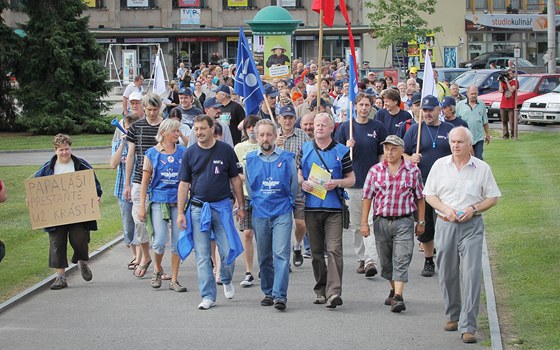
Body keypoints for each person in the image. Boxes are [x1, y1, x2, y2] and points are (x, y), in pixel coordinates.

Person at [424, 126, 501, 344]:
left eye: (460, 142)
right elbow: (429, 194)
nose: (456, 146)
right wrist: (446, 209)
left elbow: (493, 197)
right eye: (453, 142)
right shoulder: (440, 166)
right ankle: (453, 315)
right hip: (445, 223)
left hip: (472, 226)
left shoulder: (482, 168)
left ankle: (468, 325)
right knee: (447, 273)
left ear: (469, 145)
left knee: (472, 273)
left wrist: (474, 209)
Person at [176, 115, 245, 310]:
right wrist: (181, 212)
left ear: (212, 129)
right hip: (198, 209)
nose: (198, 132)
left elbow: (235, 180)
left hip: (222, 207)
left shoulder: (226, 150)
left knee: (228, 250)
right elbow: (183, 184)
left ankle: (226, 278)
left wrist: (240, 206)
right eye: (196, 129)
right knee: (202, 255)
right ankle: (207, 295)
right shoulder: (189, 153)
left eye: (202, 129)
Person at [360, 135, 425, 313]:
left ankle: (398, 296)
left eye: (393, 149)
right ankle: (393, 288)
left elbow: (420, 198)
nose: (389, 152)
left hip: (404, 220)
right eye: (387, 148)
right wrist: (364, 223)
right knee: (386, 262)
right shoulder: (375, 171)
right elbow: (367, 197)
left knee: (401, 258)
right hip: (381, 221)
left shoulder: (413, 171)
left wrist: (421, 221)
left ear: (402, 151)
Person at [299, 113, 356, 308]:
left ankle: (334, 292)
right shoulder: (305, 148)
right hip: (311, 207)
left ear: (332, 128)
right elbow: (299, 173)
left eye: (324, 125)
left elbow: (351, 178)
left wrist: (337, 183)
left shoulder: (341, 150)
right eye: (317, 125)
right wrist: (303, 183)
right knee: (316, 252)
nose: (319, 128)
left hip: (333, 208)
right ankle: (320, 290)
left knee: (334, 250)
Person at [32, 134, 102, 290]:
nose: (64, 152)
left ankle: (81, 261)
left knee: (80, 239)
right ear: (55, 150)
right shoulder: (47, 168)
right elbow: (36, 189)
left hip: (79, 213)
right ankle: (60, 277)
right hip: (56, 214)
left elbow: (95, 186)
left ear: (71, 148)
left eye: (67, 149)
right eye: (61, 150)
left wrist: (96, 196)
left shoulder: (81, 164)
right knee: (57, 243)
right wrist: (32, 200)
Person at [245, 119, 298, 310]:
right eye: (262, 135)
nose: (265, 138)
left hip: (282, 212)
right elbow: (250, 187)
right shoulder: (250, 159)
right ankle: (267, 292)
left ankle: (279, 295)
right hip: (260, 213)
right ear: (256, 137)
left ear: (275, 136)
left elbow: (293, 186)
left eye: (269, 134)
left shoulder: (287, 158)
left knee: (281, 254)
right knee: (265, 256)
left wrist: (288, 204)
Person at [335, 92, 386, 277]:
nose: (364, 108)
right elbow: (336, 154)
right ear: (355, 106)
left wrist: (382, 171)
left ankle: (371, 259)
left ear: (371, 107)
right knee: (358, 225)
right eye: (361, 105)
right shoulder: (344, 128)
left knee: (370, 223)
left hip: (372, 184)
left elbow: (382, 153)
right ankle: (362, 258)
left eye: (367, 105)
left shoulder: (377, 127)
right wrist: (345, 146)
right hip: (353, 183)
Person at [403, 95, 455, 277]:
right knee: (425, 224)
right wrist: (411, 158)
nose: (427, 113)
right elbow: (401, 153)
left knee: (446, 222)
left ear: (439, 110)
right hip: (422, 185)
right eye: (424, 110)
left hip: (446, 185)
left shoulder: (449, 129)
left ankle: (447, 259)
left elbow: (462, 150)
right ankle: (428, 260)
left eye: (430, 110)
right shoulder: (415, 131)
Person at [138, 119, 188, 292]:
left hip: (178, 202)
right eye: (175, 131)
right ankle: (157, 268)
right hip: (159, 200)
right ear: (165, 133)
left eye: (178, 131)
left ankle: (174, 279)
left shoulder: (183, 152)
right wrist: (142, 205)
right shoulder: (152, 153)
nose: (177, 134)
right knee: (159, 241)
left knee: (176, 242)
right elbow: (145, 182)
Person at [124, 93, 164, 278]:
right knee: (138, 220)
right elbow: (131, 156)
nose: (152, 113)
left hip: (162, 181)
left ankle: (158, 265)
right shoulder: (136, 127)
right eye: (149, 109)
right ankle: (146, 256)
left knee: (160, 225)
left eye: (155, 110)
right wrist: (127, 184)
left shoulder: (165, 126)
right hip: (139, 179)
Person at [275, 105, 311, 267]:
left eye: (290, 117)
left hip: (298, 184)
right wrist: (275, 145)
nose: (288, 120)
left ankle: (297, 246)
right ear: (279, 118)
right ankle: (283, 258)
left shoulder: (303, 136)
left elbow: (311, 156)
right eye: (285, 117)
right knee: (282, 224)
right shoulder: (273, 135)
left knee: (300, 223)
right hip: (278, 186)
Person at [110, 113, 141, 271]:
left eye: (130, 129)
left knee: (140, 224)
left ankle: (139, 258)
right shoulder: (118, 144)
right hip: (122, 190)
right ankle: (134, 254)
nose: (127, 131)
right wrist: (123, 144)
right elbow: (113, 164)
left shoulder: (141, 145)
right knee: (128, 227)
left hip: (139, 190)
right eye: (126, 128)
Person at [234, 115, 262, 287]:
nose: (251, 130)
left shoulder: (265, 145)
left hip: (263, 195)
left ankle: (265, 267)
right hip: (245, 195)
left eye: (254, 127)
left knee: (263, 235)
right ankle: (248, 271)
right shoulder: (239, 148)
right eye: (248, 127)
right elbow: (235, 173)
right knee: (247, 233)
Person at [456, 85, 491, 159]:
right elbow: (456, 121)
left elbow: (485, 121)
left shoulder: (482, 105)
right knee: (466, 158)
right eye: (472, 94)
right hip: (465, 138)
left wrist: (487, 134)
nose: (474, 95)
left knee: (478, 158)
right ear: (467, 93)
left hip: (478, 138)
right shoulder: (460, 105)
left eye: (475, 93)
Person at [498, 69, 518, 139]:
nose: (509, 75)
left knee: (512, 122)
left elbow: (512, 90)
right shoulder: (503, 82)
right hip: (503, 105)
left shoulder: (515, 82)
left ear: (513, 75)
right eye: (508, 74)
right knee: (504, 121)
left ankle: (513, 135)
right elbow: (501, 91)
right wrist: (500, 81)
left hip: (511, 106)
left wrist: (507, 82)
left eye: (510, 74)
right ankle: (505, 136)